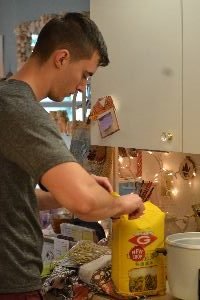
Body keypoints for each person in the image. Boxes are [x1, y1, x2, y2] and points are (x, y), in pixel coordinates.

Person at [0, 12, 145, 299]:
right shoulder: (19, 110)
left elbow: (16, 196)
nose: (82, 86)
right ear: (62, 57)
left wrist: (61, 193)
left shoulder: (6, 99)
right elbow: (85, 202)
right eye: (85, 75)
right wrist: (124, 202)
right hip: (11, 283)